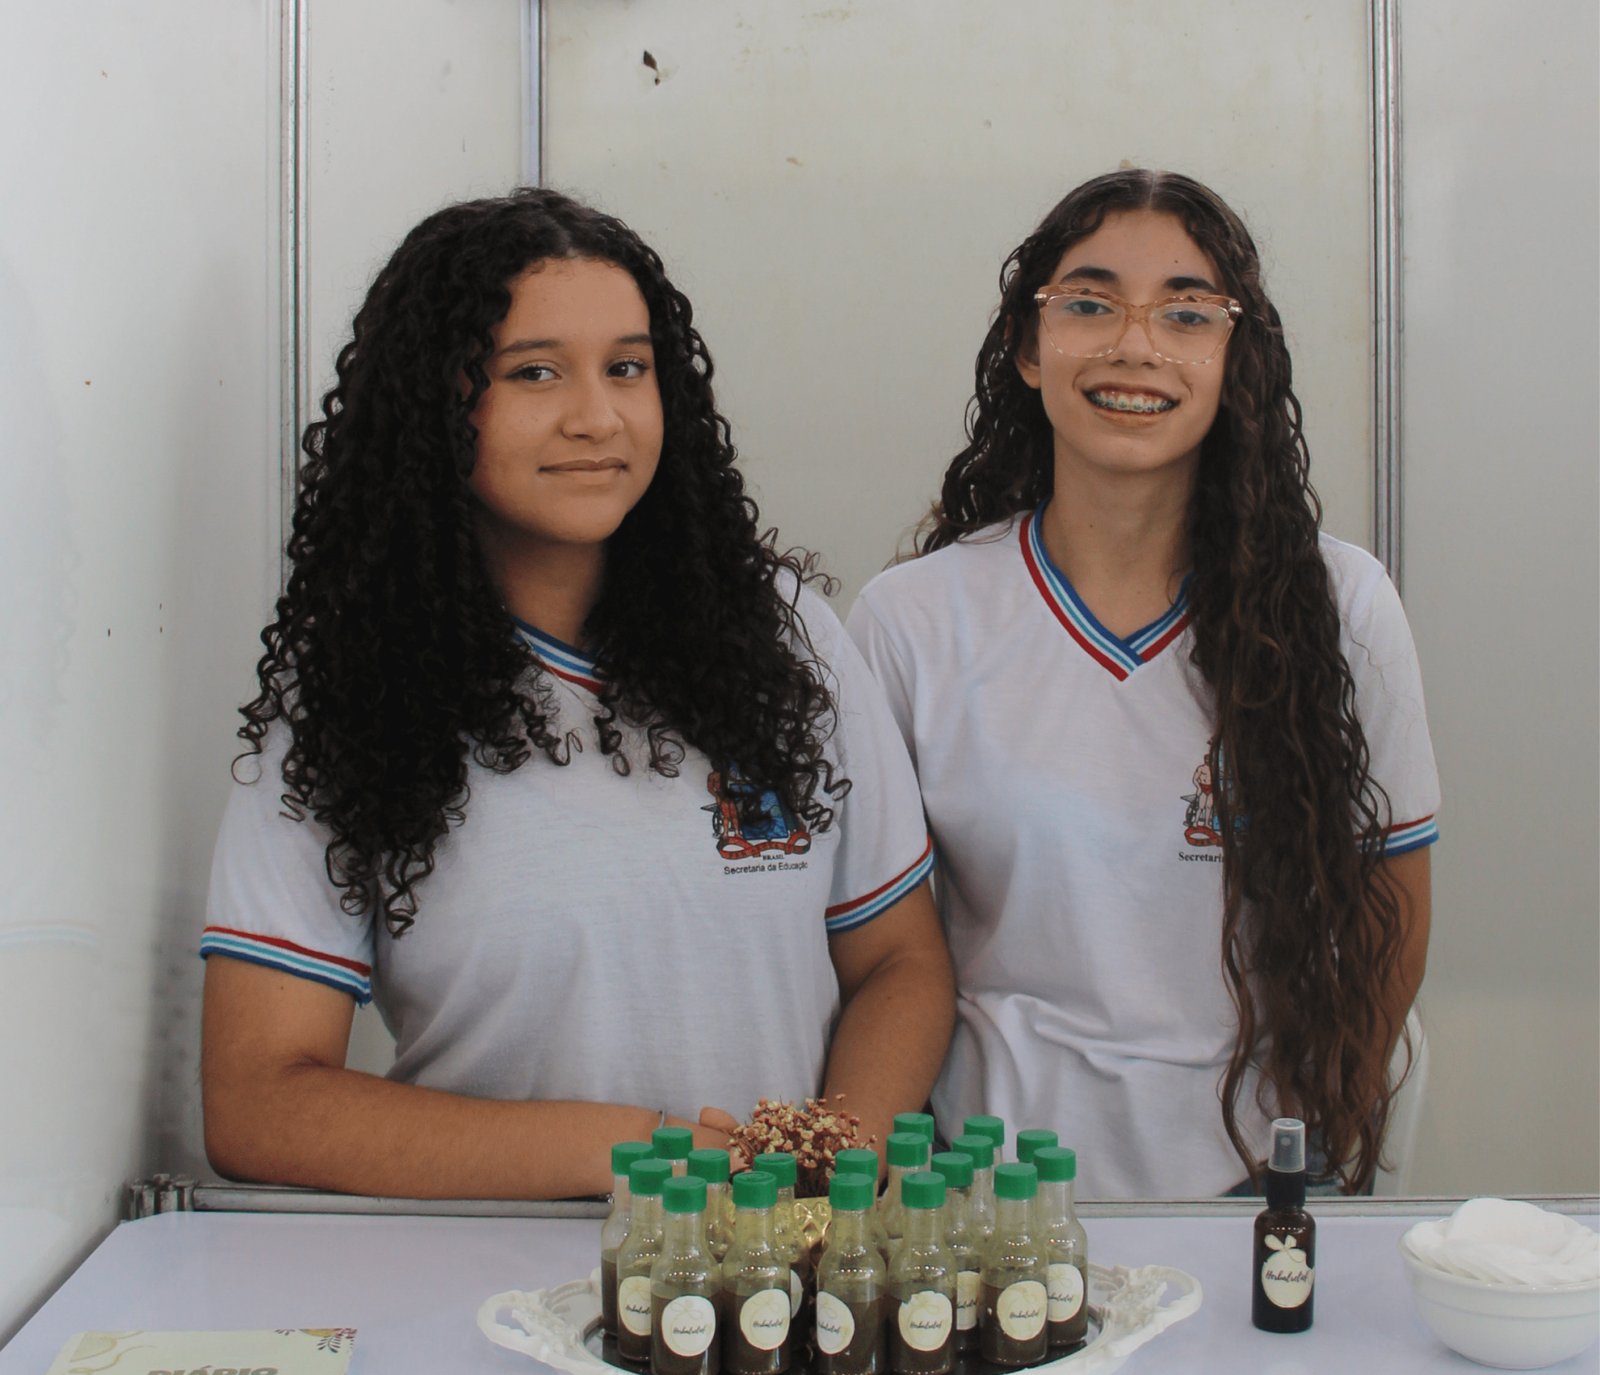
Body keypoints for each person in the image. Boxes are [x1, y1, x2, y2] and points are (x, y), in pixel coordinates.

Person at [200, 188, 952, 1200]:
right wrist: (643, 1153)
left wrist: (829, 1160)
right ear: (433, 402)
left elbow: (899, 963)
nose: (597, 416)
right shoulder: (350, 688)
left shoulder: (784, 638)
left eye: (627, 368)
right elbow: (260, 1102)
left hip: (774, 1265)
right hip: (490, 1271)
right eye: (534, 372)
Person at [847, 170, 1437, 1198]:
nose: (1135, 344)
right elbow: (881, 948)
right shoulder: (912, 618)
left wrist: (1311, 1144)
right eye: (1089, 303)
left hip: (1249, 1175)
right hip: (984, 1186)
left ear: (1235, 355)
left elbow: (1391, 904)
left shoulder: (1342, 603)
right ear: (1028, 347)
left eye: (1186, 313)